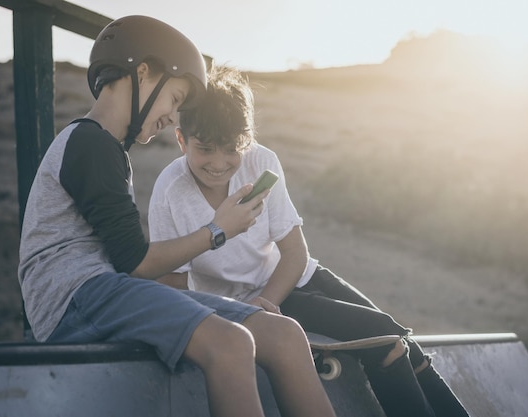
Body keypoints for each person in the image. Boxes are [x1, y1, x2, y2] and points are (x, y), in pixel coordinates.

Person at [18, 16, 336, 417]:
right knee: (230, 343)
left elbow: (130, 266)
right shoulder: (89, 142)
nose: (172, 116)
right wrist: (218, 230)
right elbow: (134, 263)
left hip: (108, 290)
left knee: (284, 335)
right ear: (144, 72)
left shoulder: (108, 150)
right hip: (74, 297)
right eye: (175, 98)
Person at [148, 64, 472, 417]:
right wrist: (243, 314)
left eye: (231, 148)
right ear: (181, 140)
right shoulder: (170, 191)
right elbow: (173, 283)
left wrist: (267, 299)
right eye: (204, 149)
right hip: (246, 303)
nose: (219, 162)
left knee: (401, 341)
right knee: (385, 339)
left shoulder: (261, 162)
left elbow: (295, 252)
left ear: (245, 139)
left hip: (291, 280)